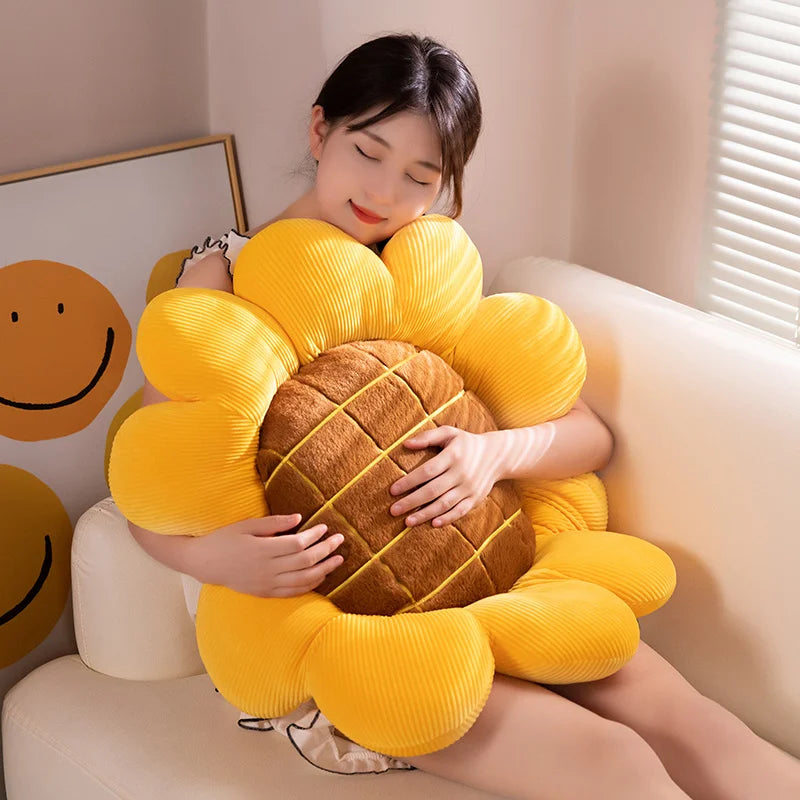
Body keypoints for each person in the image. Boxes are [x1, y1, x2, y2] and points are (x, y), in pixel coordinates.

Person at [126, 32, 800, 800]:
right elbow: (154, 499)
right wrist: (208, 558)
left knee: (700, 727)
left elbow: (589, 436)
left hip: (491, 583)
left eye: (421, 176)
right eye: (368, 152)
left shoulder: (419, 269)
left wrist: (493, 454)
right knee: (615, 764)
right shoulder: (223, 278)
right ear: (320, 132)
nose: (384, 193)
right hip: (349, 636)